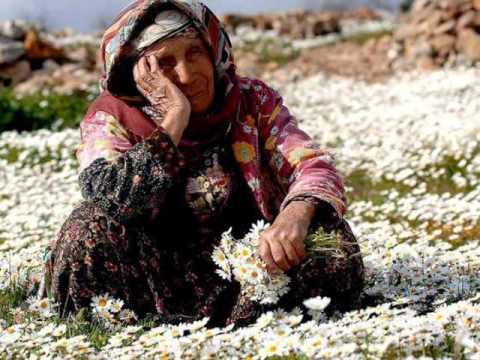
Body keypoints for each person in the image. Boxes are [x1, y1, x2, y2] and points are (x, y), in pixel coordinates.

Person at [44, 0, 364, 328]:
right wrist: (174, 119)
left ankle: (243, 322)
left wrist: (293, 216)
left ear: (213, 51)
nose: (186, 74)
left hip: (247, 271)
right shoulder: (111, 117)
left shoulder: (251, 101)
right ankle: (139, 327)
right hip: (149, 277)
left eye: (195, 52)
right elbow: (111, 198)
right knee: (86, 229)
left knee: (330, 239)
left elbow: (311, 164)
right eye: (165, 62)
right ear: (137, 73)